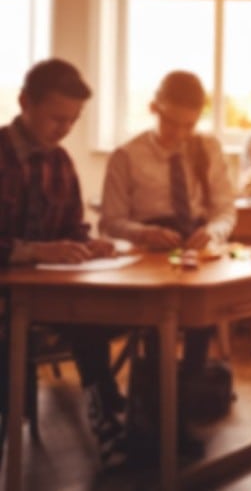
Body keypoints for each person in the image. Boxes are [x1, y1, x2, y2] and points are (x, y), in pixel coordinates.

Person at [99, 69, 236, 458]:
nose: (178, 133)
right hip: (148, 252)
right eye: (170, 122)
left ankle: (185, 399)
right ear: (153, 108)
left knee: (202, 311)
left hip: (197, 245)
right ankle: (162, 413)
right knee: (162, 317)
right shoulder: (127, 156)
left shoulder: (208, 149)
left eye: (188, 125)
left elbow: (226, 210)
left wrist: (214, 231)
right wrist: (142, 233)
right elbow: (110, 220)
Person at [0, 59, 130, 468]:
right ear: (24, 103)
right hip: (6, 296)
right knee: (76, 324)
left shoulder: (61, 163)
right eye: (57, 118)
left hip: (48, 297)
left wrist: (90, 246)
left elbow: (73, 229)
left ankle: (110, 421)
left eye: (73, 121)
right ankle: (107, 417)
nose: (64, 130)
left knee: (91, 315)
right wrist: (34, 251)